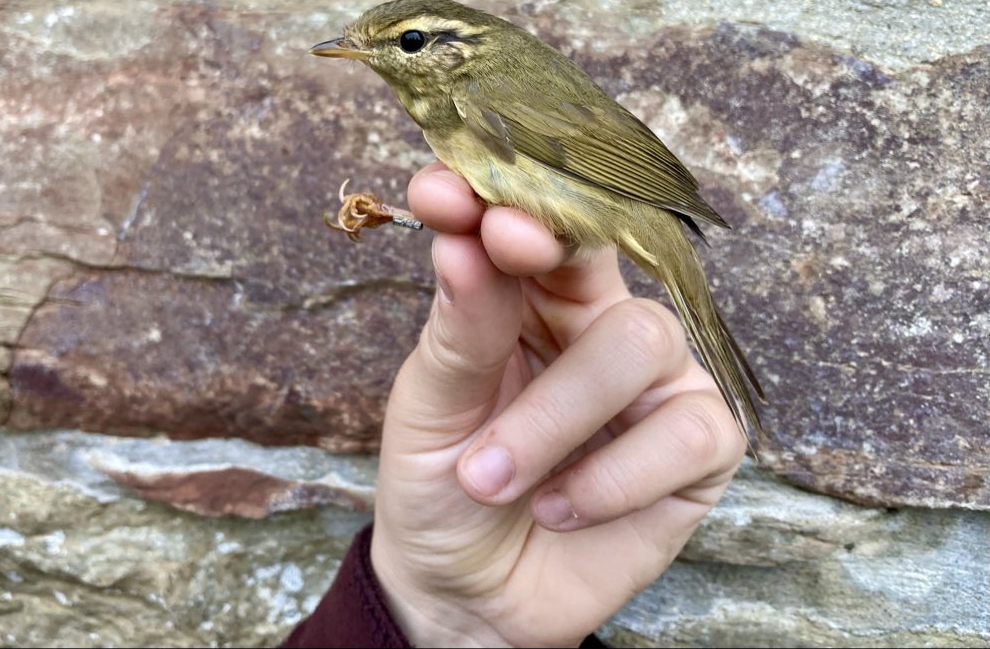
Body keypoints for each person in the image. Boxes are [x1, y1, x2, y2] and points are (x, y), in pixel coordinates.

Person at [282, 162, 746, 648]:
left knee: (503, 234)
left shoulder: (471, 95)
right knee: (495, 232)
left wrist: (443, 617)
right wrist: (428, 610)